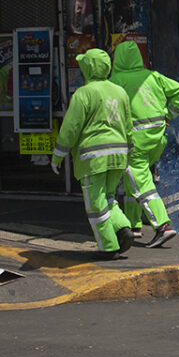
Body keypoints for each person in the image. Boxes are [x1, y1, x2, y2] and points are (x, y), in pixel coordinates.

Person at [50, 48, 135, 259]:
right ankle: (123, 226)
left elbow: (70, 128)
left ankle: (108, 246)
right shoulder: (119, 91)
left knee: (96, 205)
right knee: (109, 197)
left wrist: (58, 155)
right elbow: (128, 125)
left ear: (87, 67)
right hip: (118, 155)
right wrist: (129, 152)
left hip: (93, 159)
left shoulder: (84, 93)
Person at [109, 40, 179, 248]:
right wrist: (169, 115)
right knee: (132, 181)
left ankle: (163, 225)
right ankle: (134, 225)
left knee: (140, 184)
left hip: (135, 142)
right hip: (157, 139)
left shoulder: (116, 80)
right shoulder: (154, 76)